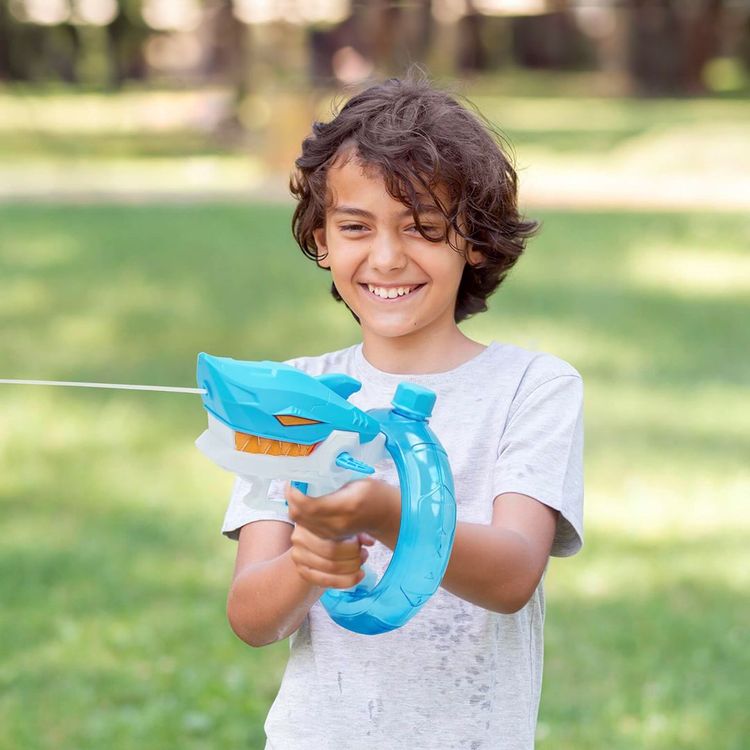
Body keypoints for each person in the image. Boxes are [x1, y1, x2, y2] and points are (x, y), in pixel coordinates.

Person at [221, 71, 584, 750]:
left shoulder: (532, 386)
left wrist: (384, 512)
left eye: (422, 228)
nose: (387, 257)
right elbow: (251, 618)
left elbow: (510, 577)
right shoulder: (297, 395)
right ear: (323, 240)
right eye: (356, 227)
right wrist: (312, 560)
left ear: (473, 240)